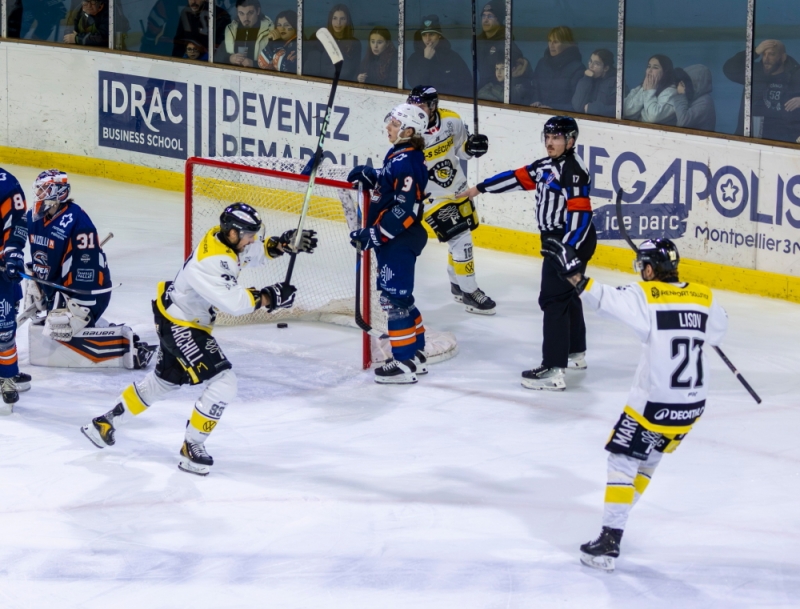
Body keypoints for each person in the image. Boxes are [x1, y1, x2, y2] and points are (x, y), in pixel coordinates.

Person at [80, 203, 317, 475]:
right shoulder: (212, 262)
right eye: (248, 234)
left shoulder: (221, 238)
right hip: (183, 325)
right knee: (225, 381)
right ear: (232, 233)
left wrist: (281, 245)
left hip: (176, 316)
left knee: (162, 382)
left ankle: (105, 424)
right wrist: (268, 297)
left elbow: (249, 253)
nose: (252, 239)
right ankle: (192, 447)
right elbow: (235, 303)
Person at [539, 238, 728, 572]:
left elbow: (602, 298)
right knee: (647, 461)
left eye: (643, 266)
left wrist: (575, 276)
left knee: (623, 460)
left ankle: (610, 538)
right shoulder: (706, 297)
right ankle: (619, 517)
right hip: (691, 408)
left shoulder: (645, 296)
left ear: (651, 269)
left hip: (655, 403)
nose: (641, 272)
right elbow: (718, 330)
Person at [458, 116, 596, 390]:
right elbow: (516, 178)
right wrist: (478, 189)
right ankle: (575, 352)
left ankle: (554, 369)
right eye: (547, 137)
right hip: (558, 240)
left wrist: (566, 250)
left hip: (568, 239)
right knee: (567, 294)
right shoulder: (546, 166)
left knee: (553, 299)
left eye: (556, 138)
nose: (549, 142)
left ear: (571, 141)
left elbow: (581, 215)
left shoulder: (573, 170)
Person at [18, 170, 156, 372]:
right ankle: (92, 325)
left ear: (60, 192)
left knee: (61, 327)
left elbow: (88, 270)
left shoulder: (78, 222)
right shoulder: (33, 216)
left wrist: (80, 310)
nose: (39, 193)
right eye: (38, 189)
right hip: (57, 289)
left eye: (45, 189)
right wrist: (36, 283)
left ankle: (128, 346)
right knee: (48, 327)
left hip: (86, 291)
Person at [347, 104, 430, 384]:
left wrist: (375, 235)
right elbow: (391, 189)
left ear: (408, 131)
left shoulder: (407, 161)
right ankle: (416, 354)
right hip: (397, 240)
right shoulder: (400, 154)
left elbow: (404, 209)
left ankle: (404, 362)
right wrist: (373, 177)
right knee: (402, 298)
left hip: (399, 239)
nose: (389, 127)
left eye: (395, 124)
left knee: (394, 301)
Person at [406, 86, 495, 314]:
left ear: (433, 105)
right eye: (413, 103)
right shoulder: (406, 129)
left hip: (457, 188)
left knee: (463, 233)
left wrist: (474, 147)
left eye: (422, 104)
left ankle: (456, 283)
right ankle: (469, 291)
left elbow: (462, 151)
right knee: (461, 238)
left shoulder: (451, 120)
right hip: (430, 196)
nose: (417, 108)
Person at [723, 40, 800, 142]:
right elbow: (729, 69)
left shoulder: (795, 76)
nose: (766, 59)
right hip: (751, 136)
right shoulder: (754, 73)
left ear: (783, 57)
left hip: (783, 141)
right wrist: (754, 52)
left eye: (771, 54)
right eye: (763, 54)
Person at [0, 168, 28, 413]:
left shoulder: (7, 184)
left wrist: (13, 253)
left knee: (4, 330)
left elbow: (17, 224)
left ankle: (7, 377)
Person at [476, 1, 531, 104]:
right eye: (483, 16)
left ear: (499, 19)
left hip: (499, 95)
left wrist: (524, 65)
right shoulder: (477, 43)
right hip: (482, 92)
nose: (485, 19)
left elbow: (520, 67)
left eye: (490, 16)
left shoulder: (506, 43)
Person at [405, 15, 472, 99]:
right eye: (424, 35)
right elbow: (415, 84)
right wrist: (425, 60)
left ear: (439, 36)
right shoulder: (414, 58)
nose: (427, 39)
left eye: (431, 34)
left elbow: (467, 85)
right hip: (425, 104)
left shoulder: (452, 57)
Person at [528, 26, 584, 111]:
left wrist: (554, 109)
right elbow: (535, 88)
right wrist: (535, 101)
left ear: (567, 44)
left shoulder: (577, 68)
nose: (551, 45)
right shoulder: (542, 63)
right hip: (539, 114)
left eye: (556, 42)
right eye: (550, 41)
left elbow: (577, 103)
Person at [304, 4, 361, 82]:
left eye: (342, 19)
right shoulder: (320, 39)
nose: (338, 23)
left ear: (347, 21)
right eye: (335, 18)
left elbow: (352, 71)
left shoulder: (355, 43)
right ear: (330, 20)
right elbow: (310, 68)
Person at [623, 54, 678, 126]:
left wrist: (650, 91)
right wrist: (644, 89)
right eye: (649, 67)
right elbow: (626, 110)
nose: (649, 71)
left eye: (655, 67)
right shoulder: (641, 87)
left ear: (665, 72)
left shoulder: (671, 92)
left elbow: (653, 118)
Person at [217, 0, 274, 68]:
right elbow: (217, 57)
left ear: (258, 11)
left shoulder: (270, 31)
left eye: (250, 13)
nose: (246, 18)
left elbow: (278, 63)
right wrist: (230, 58)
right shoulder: (231, 30)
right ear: (237, 13)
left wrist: (254, 64)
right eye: (241, 13)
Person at [572, 48, 617, 118]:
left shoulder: (616, 84)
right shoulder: (586, 79)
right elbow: (577, 106)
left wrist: (593, 109)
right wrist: (586, 79)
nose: (591, 66)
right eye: (590, 61)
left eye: (596, 64)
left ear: (606, 68)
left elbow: (620, 110)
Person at [673, 65, 716, 131]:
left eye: (686, 81)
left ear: (696, 83)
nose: (682, 85)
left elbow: (682, 123)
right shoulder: (694, 98)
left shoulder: (705, 102)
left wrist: (681, 95)